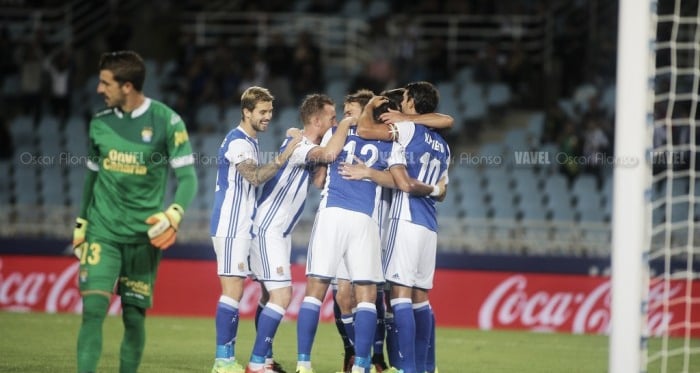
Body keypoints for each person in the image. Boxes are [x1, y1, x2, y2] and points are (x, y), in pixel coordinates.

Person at [295, 97, 444, 373]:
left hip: (332, 214)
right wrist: (370, 173)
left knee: (315, 292)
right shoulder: (390, 143)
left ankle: (304, 364)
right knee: (366, 296)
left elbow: (323, 167)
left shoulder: (338, 131)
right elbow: (398, 181)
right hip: (365, 220)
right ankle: (362, 365)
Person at [72, 50, 198, 373]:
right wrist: (82, 222)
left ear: (127, 86)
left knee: (133, 315)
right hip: (103, 231)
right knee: (93, 308)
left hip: (144, 237)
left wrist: (174, 214)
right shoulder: (99, 124)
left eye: (105, 83)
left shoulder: (167, 121)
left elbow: (188, 178)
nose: (100, 90)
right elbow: (91, 176)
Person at [244, 93, 357, 373]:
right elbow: (329, 154)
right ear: (317, 120)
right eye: (331, 118)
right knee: (281, 298)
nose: (335, 121)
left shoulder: (301, 141)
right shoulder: (299, 145)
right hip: (268, 229)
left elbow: (320, 177)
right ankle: (257, 363)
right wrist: (346, 124)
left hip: (278, 232)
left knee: (268, 297)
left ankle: (265, 360)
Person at [347, 82, 451, 373]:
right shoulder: (444, 146)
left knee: (400, 296)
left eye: (404, 99)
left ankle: (406, 368)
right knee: (421, 299)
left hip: (404, 219)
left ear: (413, 103)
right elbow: (441, 191)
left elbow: (366, 132)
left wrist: (369, 109)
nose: (400, 105)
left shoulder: (408, 130)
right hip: (429, 226)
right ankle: (427, 368)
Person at [210, 86, 302, 373]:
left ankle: (255, 359)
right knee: (232, 291)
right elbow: (255, 176)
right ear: (246, 112)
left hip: (243, 227)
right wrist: (286, 153)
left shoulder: (250, 141)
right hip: (230, 225)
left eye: (270, 112)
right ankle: (223, 361)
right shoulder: (238, 142)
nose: (267, 117)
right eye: (262, 112)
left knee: (250, 290)